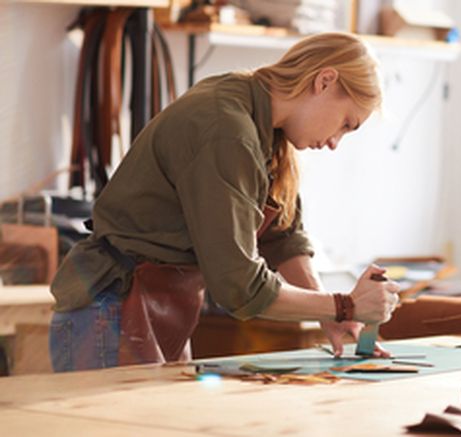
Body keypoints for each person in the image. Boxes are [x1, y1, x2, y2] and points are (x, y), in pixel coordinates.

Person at [49, 32, 401, 372]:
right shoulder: (227, 128)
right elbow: (241, 287)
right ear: (324, 81)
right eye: (345, 123)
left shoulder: (263, 125)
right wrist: (345, 306)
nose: (335, 142)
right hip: (111, 312)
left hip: (153, 310)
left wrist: (332, 315)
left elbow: (283, 236)